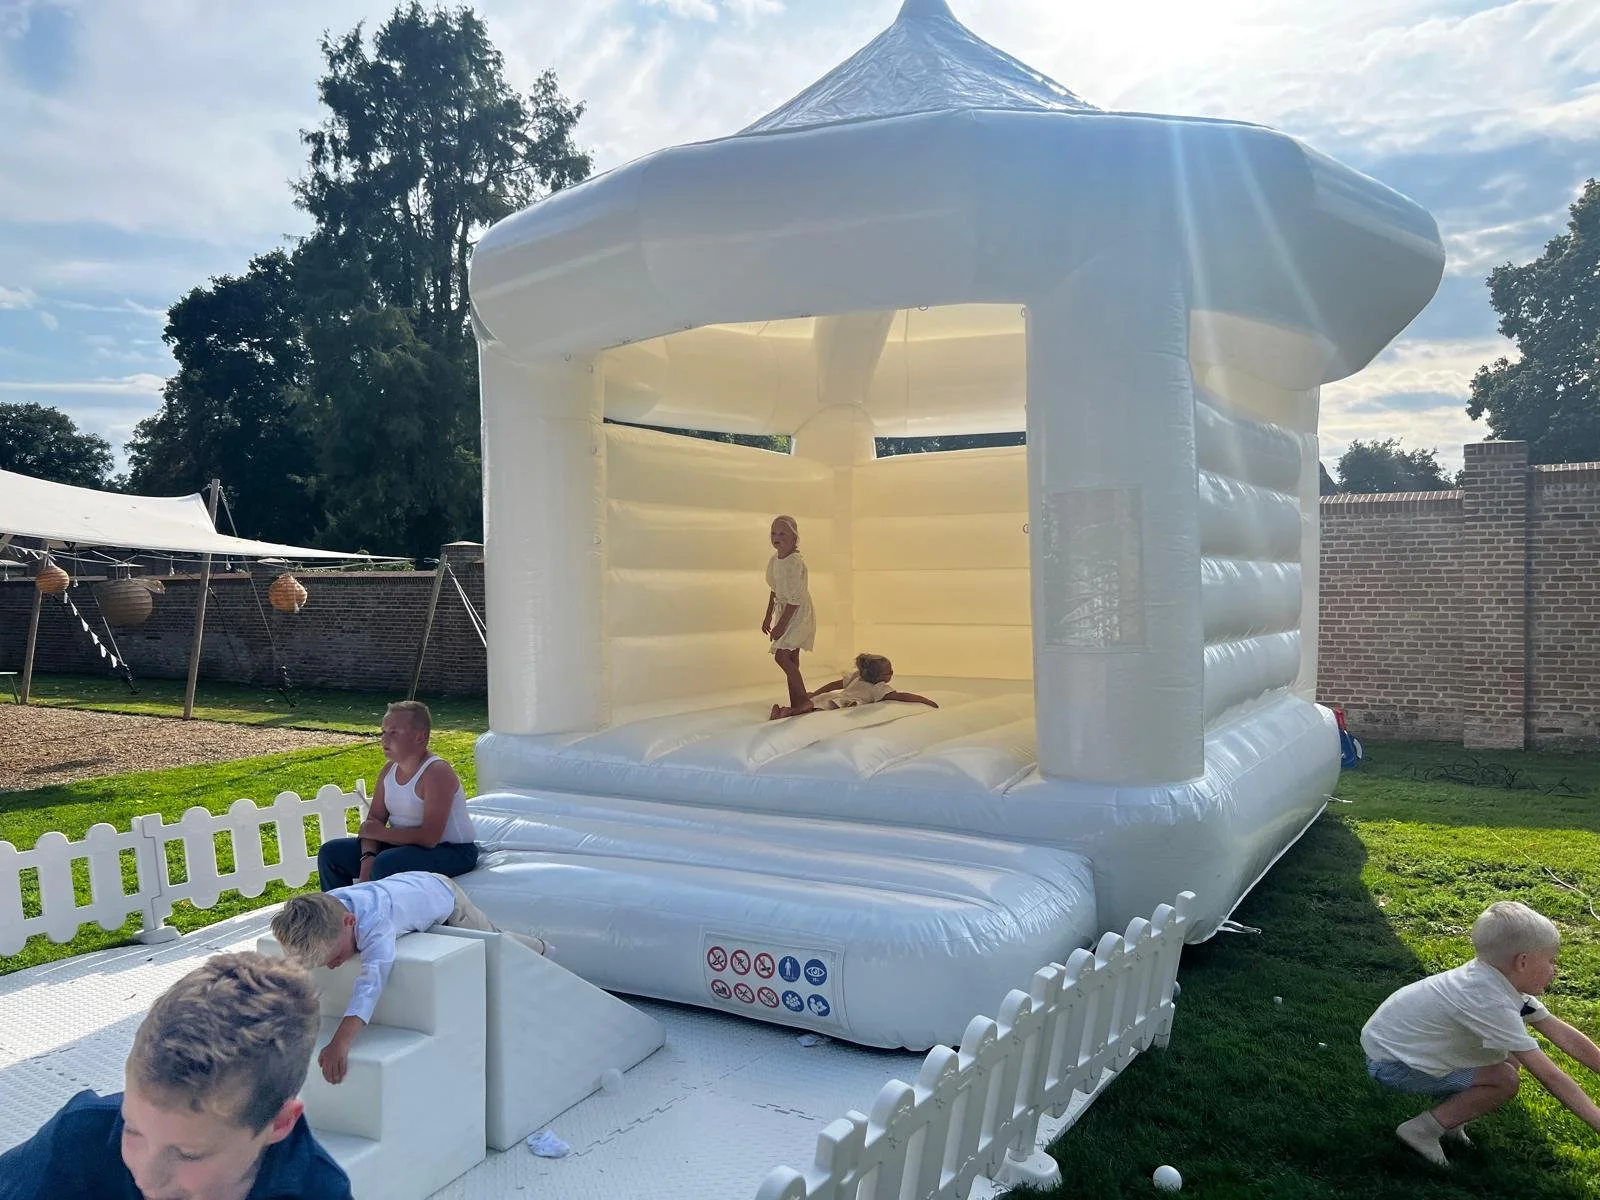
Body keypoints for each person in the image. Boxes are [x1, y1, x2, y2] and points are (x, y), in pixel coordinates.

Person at [0, 951, 351, 1200]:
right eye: (132, 1130)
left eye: (188, 1153)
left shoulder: (319, 1189)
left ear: (279, 1123)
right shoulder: (77, 1141)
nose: (148, 1178)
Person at [1361, 900, 1600, 1166]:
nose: (1555, 969)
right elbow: (1549, 1075)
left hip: (1404, 1048)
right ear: (1523, 962)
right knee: (1504, 1079)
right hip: (1393, 1064)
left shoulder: (1493, 979)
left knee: (1508, 1059)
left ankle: (1452, 1121)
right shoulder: (1489, 1000)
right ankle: (1422, 1130)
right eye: (1551, 960)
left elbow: (1563, 1035)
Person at [271, 871, 549, 1086]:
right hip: (405, 885)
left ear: (349, 922)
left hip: (443, 895)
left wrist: (341, 1041)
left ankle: (539, 950)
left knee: (495, 941)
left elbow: (372, 981)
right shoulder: (327, 910)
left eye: (336, 956)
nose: (333, 966)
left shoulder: (375, 924)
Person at [317, 700, 478, 891]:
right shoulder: (389, 770)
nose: (384, 739)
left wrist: (382, 834)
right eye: (383, 732)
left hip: (452, 851)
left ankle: (376, 908)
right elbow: (373, 822)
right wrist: (367, 858)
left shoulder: (437, 772)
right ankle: (339, 907)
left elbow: (429, 837)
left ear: (420, 737)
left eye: (394, 733)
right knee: (331, 853)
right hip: (402, 846)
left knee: (386, 863)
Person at [771, 653, 939, 720]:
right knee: (809, 710)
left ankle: (785, 710)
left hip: (832, 697)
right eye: (889, 672)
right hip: (841, 702)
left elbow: (833, 685)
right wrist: (925, 700)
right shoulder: (878, 688)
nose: (892, 673)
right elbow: (901, 696)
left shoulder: (856, 677)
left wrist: (816, 693)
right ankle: (788, 712)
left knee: (812, 704)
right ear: (879, 677)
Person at [762, 514, 816, 718]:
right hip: (784, 610)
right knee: (791, 657)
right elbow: (774, 590)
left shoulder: (794, 563)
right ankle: (797, 701)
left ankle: (803, 700)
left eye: (782, 534)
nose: (777, 538)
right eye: (774, 533)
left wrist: (781, 626)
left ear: (794, 538)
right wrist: (768, 616)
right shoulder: (775, 560)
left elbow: (794, 600)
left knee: (782, 656)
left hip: (797, 612)